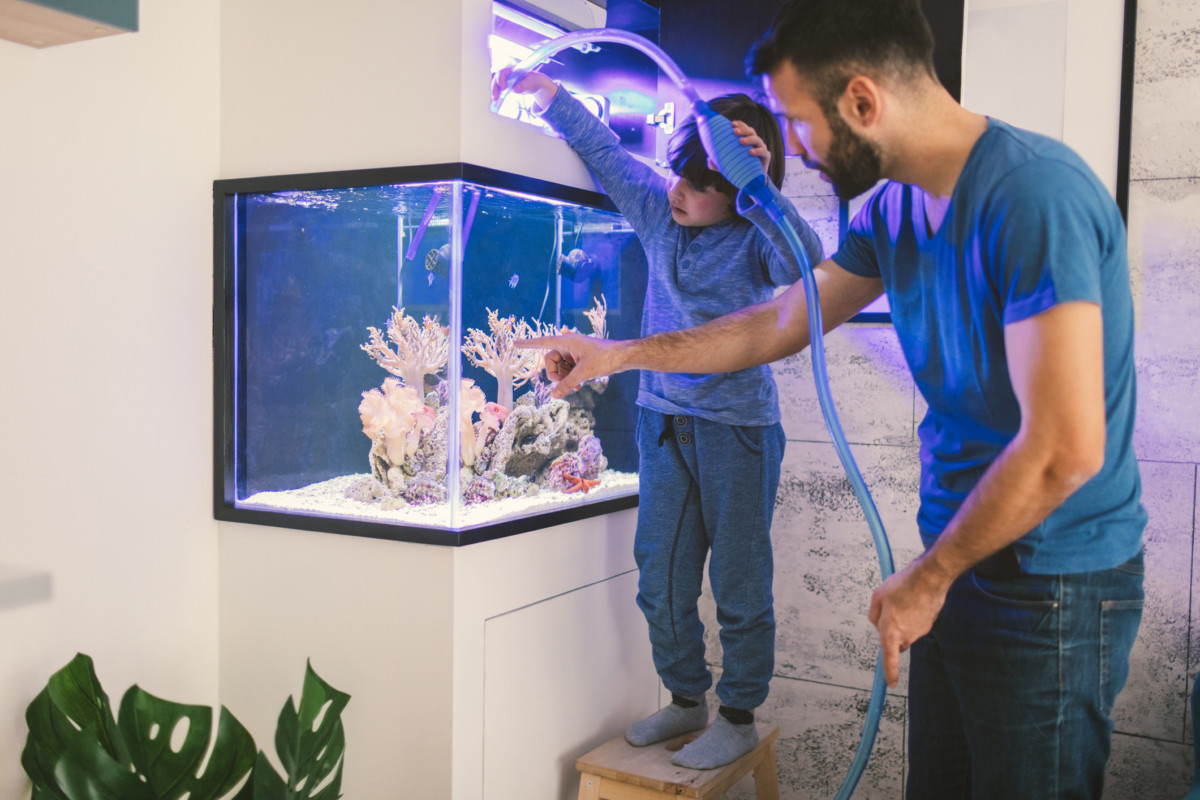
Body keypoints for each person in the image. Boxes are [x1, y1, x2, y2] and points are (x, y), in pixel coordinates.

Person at [524, 0, 1147, 796]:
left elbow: (1064, 447)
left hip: (1050, 582)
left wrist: (927, 577)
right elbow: (779, 322)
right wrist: (617, 354)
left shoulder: (1033, 196)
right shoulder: (891, 213)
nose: (798, 151)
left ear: (861, 102)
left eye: (797, 122)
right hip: (953, 561)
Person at [491, 66, 824, 769]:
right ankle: (685, 698)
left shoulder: (757, 237)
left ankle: (737, 713)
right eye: (680, 175)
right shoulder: (659, 208)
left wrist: (758, 186)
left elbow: (809, 260)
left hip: (738, 431)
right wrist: (546, 93)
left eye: (702, 184)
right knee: (658, 576)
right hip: (661, 421)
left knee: (737, 578)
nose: (680, 191)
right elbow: (606, 150)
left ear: (733, 191)